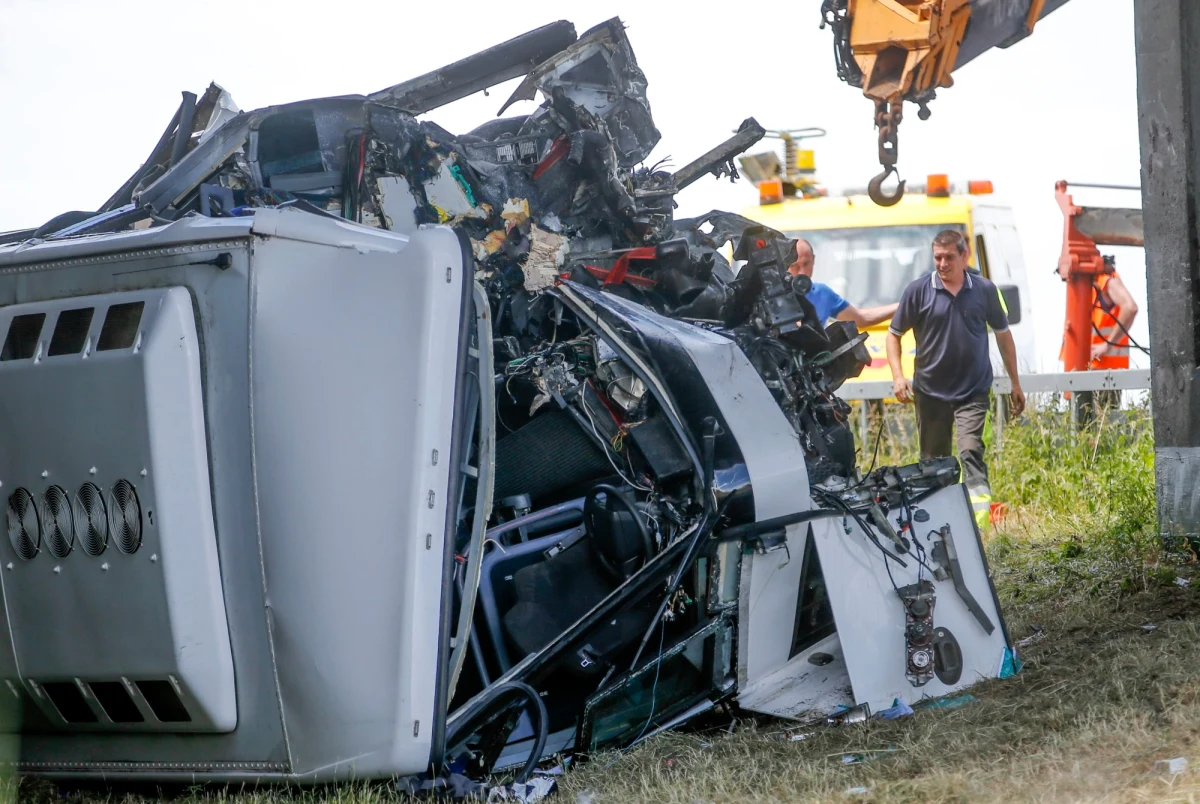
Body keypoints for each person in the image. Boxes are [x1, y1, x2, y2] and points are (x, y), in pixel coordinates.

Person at [886, 230, 1026, 530]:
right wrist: (898, 376)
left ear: (964, 256)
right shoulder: (917, 291)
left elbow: (1004, 336)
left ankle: (978, 528)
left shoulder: (985, 290)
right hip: (930, 393)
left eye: (949, 257)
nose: (942, 263)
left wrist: (1015, 382)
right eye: (937, 257)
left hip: (972, 391)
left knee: (970, 450)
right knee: (933, 464)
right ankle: (936, 527)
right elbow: (893, 335)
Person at [1057, 256, 1139, 413]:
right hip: (1080, 371)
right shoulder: (1081, 284)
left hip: (1103, 375)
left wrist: (1108, 345)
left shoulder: (1105, 279)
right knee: (1081, 431)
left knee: (1096, 430)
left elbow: (1130, 308)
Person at [788, 238, 899, 327]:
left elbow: (860, 319)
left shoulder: (822, 293)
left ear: (814, 260)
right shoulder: (772, 295)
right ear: (783, 265)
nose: (802, 272)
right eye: (794, 266)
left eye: (806, 264)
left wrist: (905, 304)